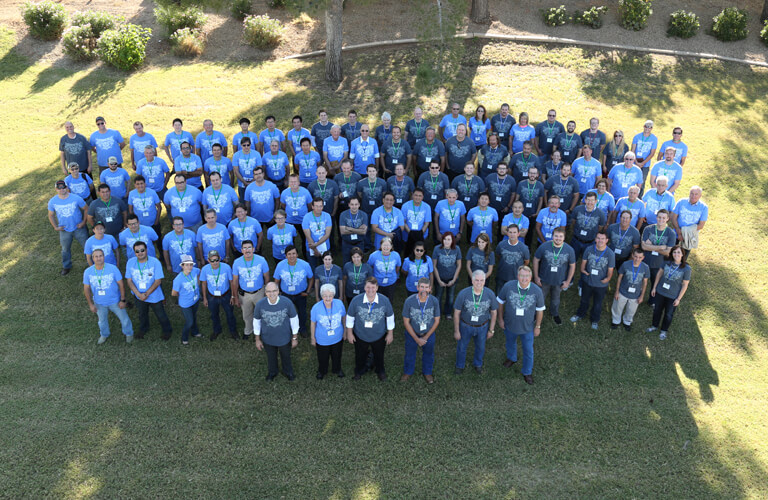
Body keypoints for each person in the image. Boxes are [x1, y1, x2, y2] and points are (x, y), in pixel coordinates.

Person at [497, 266, 545, 384]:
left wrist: (538, 326)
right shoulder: (508, 286)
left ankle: (527, 372)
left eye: (527, 276)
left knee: (528, 350)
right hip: (510, 324)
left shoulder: (537, 291)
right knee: (510, 343)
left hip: (528, 328)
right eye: (522, 275)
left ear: (531, 277)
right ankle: (512, 358)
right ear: (518, 276)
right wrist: (500, 319)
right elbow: (500, 302)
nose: (524, 278)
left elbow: (540, 310)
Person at [346, 277, 396, 381]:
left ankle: (380, 371)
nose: (370, 290)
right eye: (368, 287)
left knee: (379, 354)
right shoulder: (356, 300)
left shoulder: (384, 300)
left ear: (377, 288)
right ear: (364, 287)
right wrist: (349, 333)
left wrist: (390, 333)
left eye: (373, 287)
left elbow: (390, 317)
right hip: (360, 334)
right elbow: (350, 317)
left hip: (379, 334)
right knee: (360, 355)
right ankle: (359, 371)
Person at [83, 248, 133, 344]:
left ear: (104, 257)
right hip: (99, 303)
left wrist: (122, 300)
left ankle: (129, 333)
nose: (99, 258)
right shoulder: (88, 272)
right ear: (92, 258)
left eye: (100, 256)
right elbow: (86, 289)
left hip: (115, 301)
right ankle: (104, 334)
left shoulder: (113, 268)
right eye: (96, 256)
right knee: (102, 321)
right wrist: (90, 304)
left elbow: (121, 284)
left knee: (124, 319)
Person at [453, 270, 498, 374]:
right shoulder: (463, 293)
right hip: (465, 326)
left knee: (481, 347)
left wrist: (491, 330)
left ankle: (478, 364)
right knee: (462, 347)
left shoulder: (490, 294)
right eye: (476, 280)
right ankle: (459, 365)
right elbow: (456, 313)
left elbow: (494, 312)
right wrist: (456, 331)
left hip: (482, 327)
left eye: (482, 280)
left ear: (485, 281)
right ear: (472, 281)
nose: (479, 283)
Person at [125, 241, 172, 340]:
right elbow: (129, 281)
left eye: (142, 250)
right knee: (142, 314)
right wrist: (138, 294)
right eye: (137, 251)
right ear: (134, 252)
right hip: (138, 295)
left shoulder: (155, 262)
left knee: (161, 314)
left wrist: (146, 294)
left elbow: (158, 281)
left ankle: (167, 330)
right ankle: (143, 329)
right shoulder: (130, 262)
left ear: (146, 250)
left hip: (154, 295)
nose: (140, 253)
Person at [254, 282, 300, 381]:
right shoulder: (260, 304)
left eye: (274, 291)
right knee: (271, 357)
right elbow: (256, 322)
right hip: (268, 338)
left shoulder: (287, 302)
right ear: (265, 292)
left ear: (278, 291)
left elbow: (294, 320)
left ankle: (288, 372)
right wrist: (257, 339)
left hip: (284, 338)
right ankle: (272, 372)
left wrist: (294, 337)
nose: (272, 294)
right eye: (269, 291)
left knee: (286, 356)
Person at [570, 231, 615, 329]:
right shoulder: (589, 249)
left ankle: (595, 320)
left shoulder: (610, 253)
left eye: (602, 239)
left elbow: (610, 270)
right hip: (588, 281)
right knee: (584, 300)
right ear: (595, 239)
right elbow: (583, 262)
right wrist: (583, 270)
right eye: (598, 238)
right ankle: (580, 314)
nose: (600, 240)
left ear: (606, 240)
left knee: (598, 303)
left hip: (601, 284)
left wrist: (607, 279)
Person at [647, 245, 691, 340]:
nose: (676, 254)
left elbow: (685, 285)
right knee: (657, 310)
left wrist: (678, 299)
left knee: (668, 314)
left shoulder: (686, 268)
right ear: (671, 254)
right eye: (674, 252)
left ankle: (664, 330)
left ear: (682, 254)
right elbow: (659, 274)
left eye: (679, 252)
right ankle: (654, 326)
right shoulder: (666, 262)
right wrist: (654, 288)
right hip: (660, 291)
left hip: (672, 296)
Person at [401, 278, 441, 383]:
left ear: (430, 288)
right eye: (422, 287)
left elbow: (437, 320)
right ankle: (408, 372)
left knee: (429, 353)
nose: (424, 289)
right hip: (412, 333)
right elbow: (406, 322)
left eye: (426, 287)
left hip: (428, 333)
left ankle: (427, 372)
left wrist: (426, 337)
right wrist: (416, 338)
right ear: (417, 287)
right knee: (409, 354)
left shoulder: (434, 301)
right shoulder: (409, 301)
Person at [532, 227, 575, 325]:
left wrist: (568, 281)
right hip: (544, 279)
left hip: (559, 281)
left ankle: (554, 313)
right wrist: (536, 277)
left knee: (556, 299)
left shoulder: (569, 250)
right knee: (540, 298)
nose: (558, 238)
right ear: (552, 236)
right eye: (556, 236)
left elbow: (572, 266)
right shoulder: (544, 246)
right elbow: (535, 260)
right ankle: (535, 314)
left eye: (560, 236)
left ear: (564, 237)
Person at [232, 240, 270, 340]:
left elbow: (266, 277)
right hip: (244, 294)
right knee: (246, 314)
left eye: (249, 247)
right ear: (241, 250)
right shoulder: (237, 262)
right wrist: (235, 297)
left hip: (259, 292)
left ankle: (261, 331)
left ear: (253, 249)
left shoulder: (261, 260)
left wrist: (267, 292)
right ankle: (248, 330)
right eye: (244, 248)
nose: (247, 250)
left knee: (262, 313)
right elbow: (235, 281)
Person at [48, 180, 88, 276]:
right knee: (65, 249)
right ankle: (66, 266)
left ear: (67, 187)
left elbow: (86, 209)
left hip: (79, 228)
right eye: (59, 188)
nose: (62, 190)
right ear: (56, 189)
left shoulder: (76, 198)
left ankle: (91, 264)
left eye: (63, 187)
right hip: (64, 230)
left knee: (87, 247)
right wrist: (55, 227)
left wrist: (83, 222)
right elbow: (51, 215)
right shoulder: (52, 201)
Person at [273, 246, 313, 337]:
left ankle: (302, 328)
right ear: (286, 256)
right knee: (285, 313)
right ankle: (287, 328)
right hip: (286, 294)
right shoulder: (280, 265)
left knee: (302, 312)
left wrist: (307, 292)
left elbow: (311, 278)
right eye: (289, 254)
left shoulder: (305, 265)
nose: (292, 256)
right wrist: (277, 292)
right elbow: (276, 281)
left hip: (301, 294)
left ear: (297, 254)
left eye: (294, 253)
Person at [200, 249, 238, 340]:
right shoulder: (205, 269)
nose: (215, 262)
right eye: (212, 260)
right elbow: (204, 284)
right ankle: (216, 330)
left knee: (230, 314)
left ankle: (233, 331)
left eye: (217, 260)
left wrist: (233, 296)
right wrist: (204, 298)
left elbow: (232, 282)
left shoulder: (226, 267)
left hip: (225, 295)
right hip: (212, 296)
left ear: (220, 259)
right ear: (208, 260)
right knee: (214, 315)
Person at [310, 284, 347, 379]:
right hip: (322, 339)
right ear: (321, 296)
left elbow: (344, 317)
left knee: (337, 355)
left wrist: (345, 331)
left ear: (333, 295)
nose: (328, 298)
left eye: (330, 295)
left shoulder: (339, 304)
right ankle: (322, 371)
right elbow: (313, 323)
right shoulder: (316, 308)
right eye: (325, 296)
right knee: (322, 357)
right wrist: (313, 338)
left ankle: (337, 369)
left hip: (337, 337)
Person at [641, 209, 677, 305]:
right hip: (645, 261)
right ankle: (637, 297)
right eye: (659, 217)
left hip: (659, 264)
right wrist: (661, 247)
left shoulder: (671, 233)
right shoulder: (648, 229)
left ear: (667, 219)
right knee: (640, 280)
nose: (661, 219)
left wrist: (650, 246)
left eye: (663, 218)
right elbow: (643, 246)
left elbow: (668, 252)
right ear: (656, 217)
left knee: (655, 283)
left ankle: (652, 301)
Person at [611, 247, 650, 331]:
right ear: (632, 255)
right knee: (617, 307)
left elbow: (645, 283)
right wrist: (617, 291)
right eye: (635, 256)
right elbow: (619, 278)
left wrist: (642, 296)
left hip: (636, 294)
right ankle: (615, 320)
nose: (637, 259)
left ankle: (627, 321)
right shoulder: (625, 264)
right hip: (623, 291)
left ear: (643, 258)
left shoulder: (645, 267)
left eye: (640, 257)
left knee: (631, 310)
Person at [171, 255, 201, 345]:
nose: (189, 267)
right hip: (185, 304)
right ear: (182, 266)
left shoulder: (195, 270)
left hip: (195, 300)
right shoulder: (178, 279)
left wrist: (198, 284)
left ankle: (195, 332)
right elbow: (173, 293)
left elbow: (199, 272)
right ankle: (184, 338)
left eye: (191, 264)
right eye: (187, 265)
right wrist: (183, 294)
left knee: (194, 316)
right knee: (189, 321)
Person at [569, 192, 608, 259]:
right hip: (576, 240)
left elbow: (600, 227)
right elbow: (573, 222)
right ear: (585, 200)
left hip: (590, 242)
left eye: (592, 200)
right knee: (572, 259)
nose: (590, 202)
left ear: (596, 201)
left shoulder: (600, 214)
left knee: (587, 260)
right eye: (588, 200)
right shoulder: (577, 209)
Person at [494, 224, 531, 294]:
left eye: (514, 232)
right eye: (510, 232)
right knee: (499, 294)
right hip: (501, 276)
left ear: (518, 234)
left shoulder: (524, 248)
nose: (512, 235)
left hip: (515, 277)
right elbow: (498, 255)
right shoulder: (501, 245)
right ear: (507, 233)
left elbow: (526, 262)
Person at [433, 232, 462, 319]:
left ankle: (448, 313)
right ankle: (437, 313)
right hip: (440, 277)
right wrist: (439, 280)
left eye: (449, 239)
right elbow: (434, 266)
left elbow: (459, 265)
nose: (446, 241)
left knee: (450, 296)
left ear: (452, 240)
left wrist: (454, 280)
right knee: (438, 295)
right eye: (444, 239)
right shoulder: (437, 249)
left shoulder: (457, 249)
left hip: (452, 277)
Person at [280, 174, 313, 251]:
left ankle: (305, 253)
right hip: (289, 221)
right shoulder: (284, 193)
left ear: (299, 182)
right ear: (288, 182)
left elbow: (309, 205)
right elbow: (283, 205)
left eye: (295, 181)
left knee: (305, 238)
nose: (293, 184)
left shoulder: (305, 192)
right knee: (290, 239)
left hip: (303, 220)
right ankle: (291, 253)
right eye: (291, 182)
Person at [672, 186, 708, 254]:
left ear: (700, 196)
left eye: (696, 194)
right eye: (692, 193)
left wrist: (685, 232)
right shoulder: (681, 202)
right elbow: (673, 217)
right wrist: (679, 232)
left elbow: (701, 225)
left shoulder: (704, 207)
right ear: (689, 193)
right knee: (670, 254)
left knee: (683, 257)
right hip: (676, 232)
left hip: (689, 236)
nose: (693, 196)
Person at [515, 167, 546, 247]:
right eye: (531, 173)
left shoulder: (540, 185)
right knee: (519, 230)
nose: (532, 175)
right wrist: (516, 210)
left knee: (530, 232)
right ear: (528, 174)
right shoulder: (521, 184)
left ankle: (527, 248)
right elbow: (517, 198)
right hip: (521, 213)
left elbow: (541, 200)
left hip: (533, 213)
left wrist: (537, 212)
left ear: (537, 175)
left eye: (534, 173)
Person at [128, 175, 162, 244]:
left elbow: (159, 207)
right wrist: (134, 222)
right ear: (135, 185)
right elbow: (130, 209)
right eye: (137, 184)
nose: (140, 186)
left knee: (158, 240)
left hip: (153, 223)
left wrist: (157, 220)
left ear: (145, 184)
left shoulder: (152, 192)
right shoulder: (131, 194)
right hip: (140, 225)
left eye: (141, 183)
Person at [302, 197, 333, 269]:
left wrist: (315, 245)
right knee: (313, 268)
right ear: (312, 207)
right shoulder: (307, 217)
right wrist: (315, 249)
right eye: (316, 206)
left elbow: (327, 234)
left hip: (324, 246)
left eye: (320, 206)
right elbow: (308, 236)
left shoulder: (327, 216)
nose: (319, 208)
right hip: (311, 247)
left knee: (325, 267)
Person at [368, 237, 401, 301]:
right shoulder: (373, 255)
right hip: (377, 282)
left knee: (389, 299)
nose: (386, 247)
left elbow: (398, 266)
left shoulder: (396, 255)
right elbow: (369, 266)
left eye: (388, 245)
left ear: (391, 246)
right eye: (384, 245)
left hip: (391, 281)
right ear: (381, 246)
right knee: (378, 299)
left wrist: (394, 275)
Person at [339, 197, 368, 264]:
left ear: (359, 205)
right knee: (346, 263)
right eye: (352, 204)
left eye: (356, 204)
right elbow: (342, 231)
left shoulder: (364, 215)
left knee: (359, 262)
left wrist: (349, 228)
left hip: (359, 242)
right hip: (347, 243)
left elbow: (364, 232)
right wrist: (358, 230)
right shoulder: (343, 214)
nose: (354, 206)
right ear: (349, 205)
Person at [631, 120, 658, 192]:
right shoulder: (637, 137)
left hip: (645, 165)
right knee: (632, 180)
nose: (647, 128)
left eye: (650, 127)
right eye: (646, 126)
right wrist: (636, 162)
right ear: (643, 126)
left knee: (641, 183)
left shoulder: (654, 139)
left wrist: (643, 163)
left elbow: (652, 153)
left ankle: (639, 197)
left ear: (651, 128)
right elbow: (632, 150)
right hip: (634, 163)